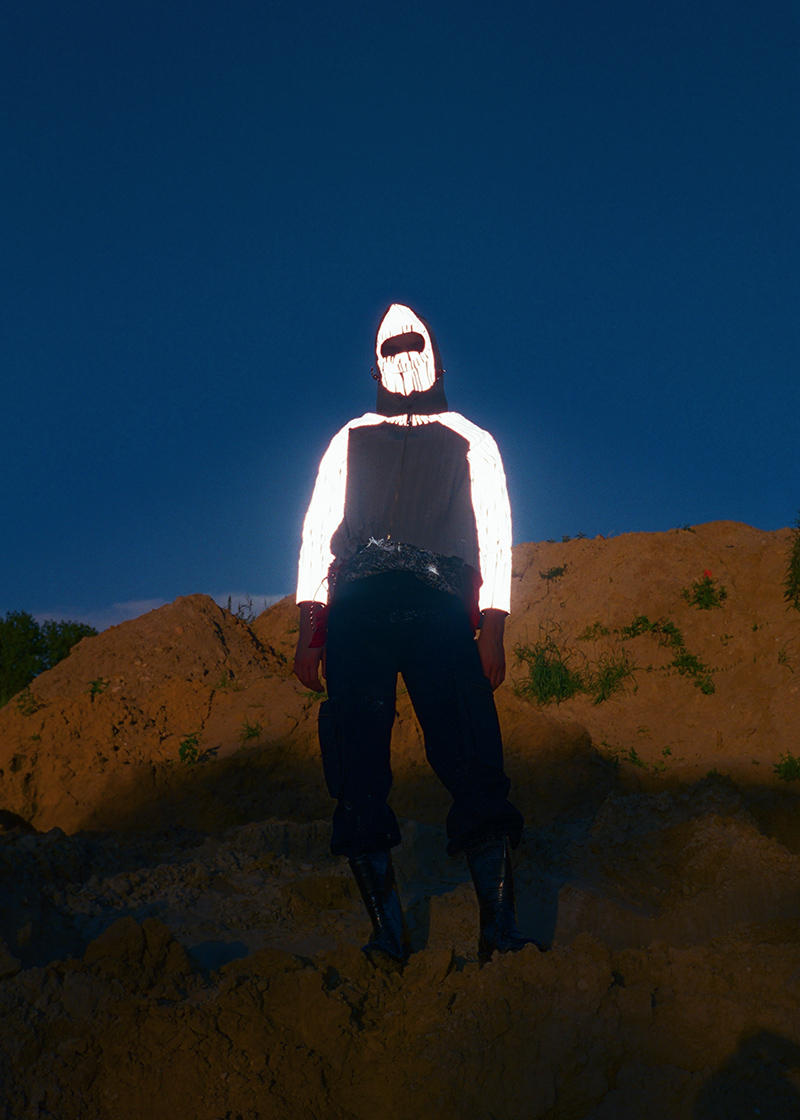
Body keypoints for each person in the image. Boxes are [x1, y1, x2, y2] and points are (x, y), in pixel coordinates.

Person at [294, 303, 540, 965]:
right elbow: (318, 532)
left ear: (436, 357)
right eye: (391, 349)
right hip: (358, 612)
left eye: (414, 345)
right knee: (356, 764)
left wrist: (493, 627)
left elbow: (495, 532)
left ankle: (499, 930)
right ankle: (387, 934)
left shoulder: (471, 438)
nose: (404, 357)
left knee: (471, 750)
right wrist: (311, 629)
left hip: (439, 607)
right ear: (376, 366)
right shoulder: (348, 438)